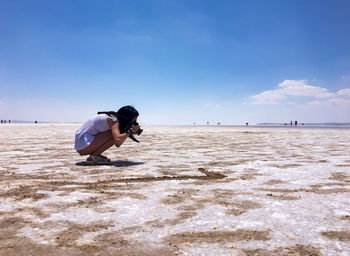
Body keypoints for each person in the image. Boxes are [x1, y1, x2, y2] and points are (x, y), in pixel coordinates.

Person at [74, 105, 141, 164]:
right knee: (113, 134)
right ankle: (94, 156)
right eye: (133, 120)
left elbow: (118, 143)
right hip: (83, 145)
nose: (134, 122)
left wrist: (128, 131)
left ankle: (95, 155)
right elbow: (118, 141)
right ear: (127, 118)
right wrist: (129, 131)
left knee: (114, 134)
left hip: (82, 144)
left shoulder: (112, 117)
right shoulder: (114, 121)